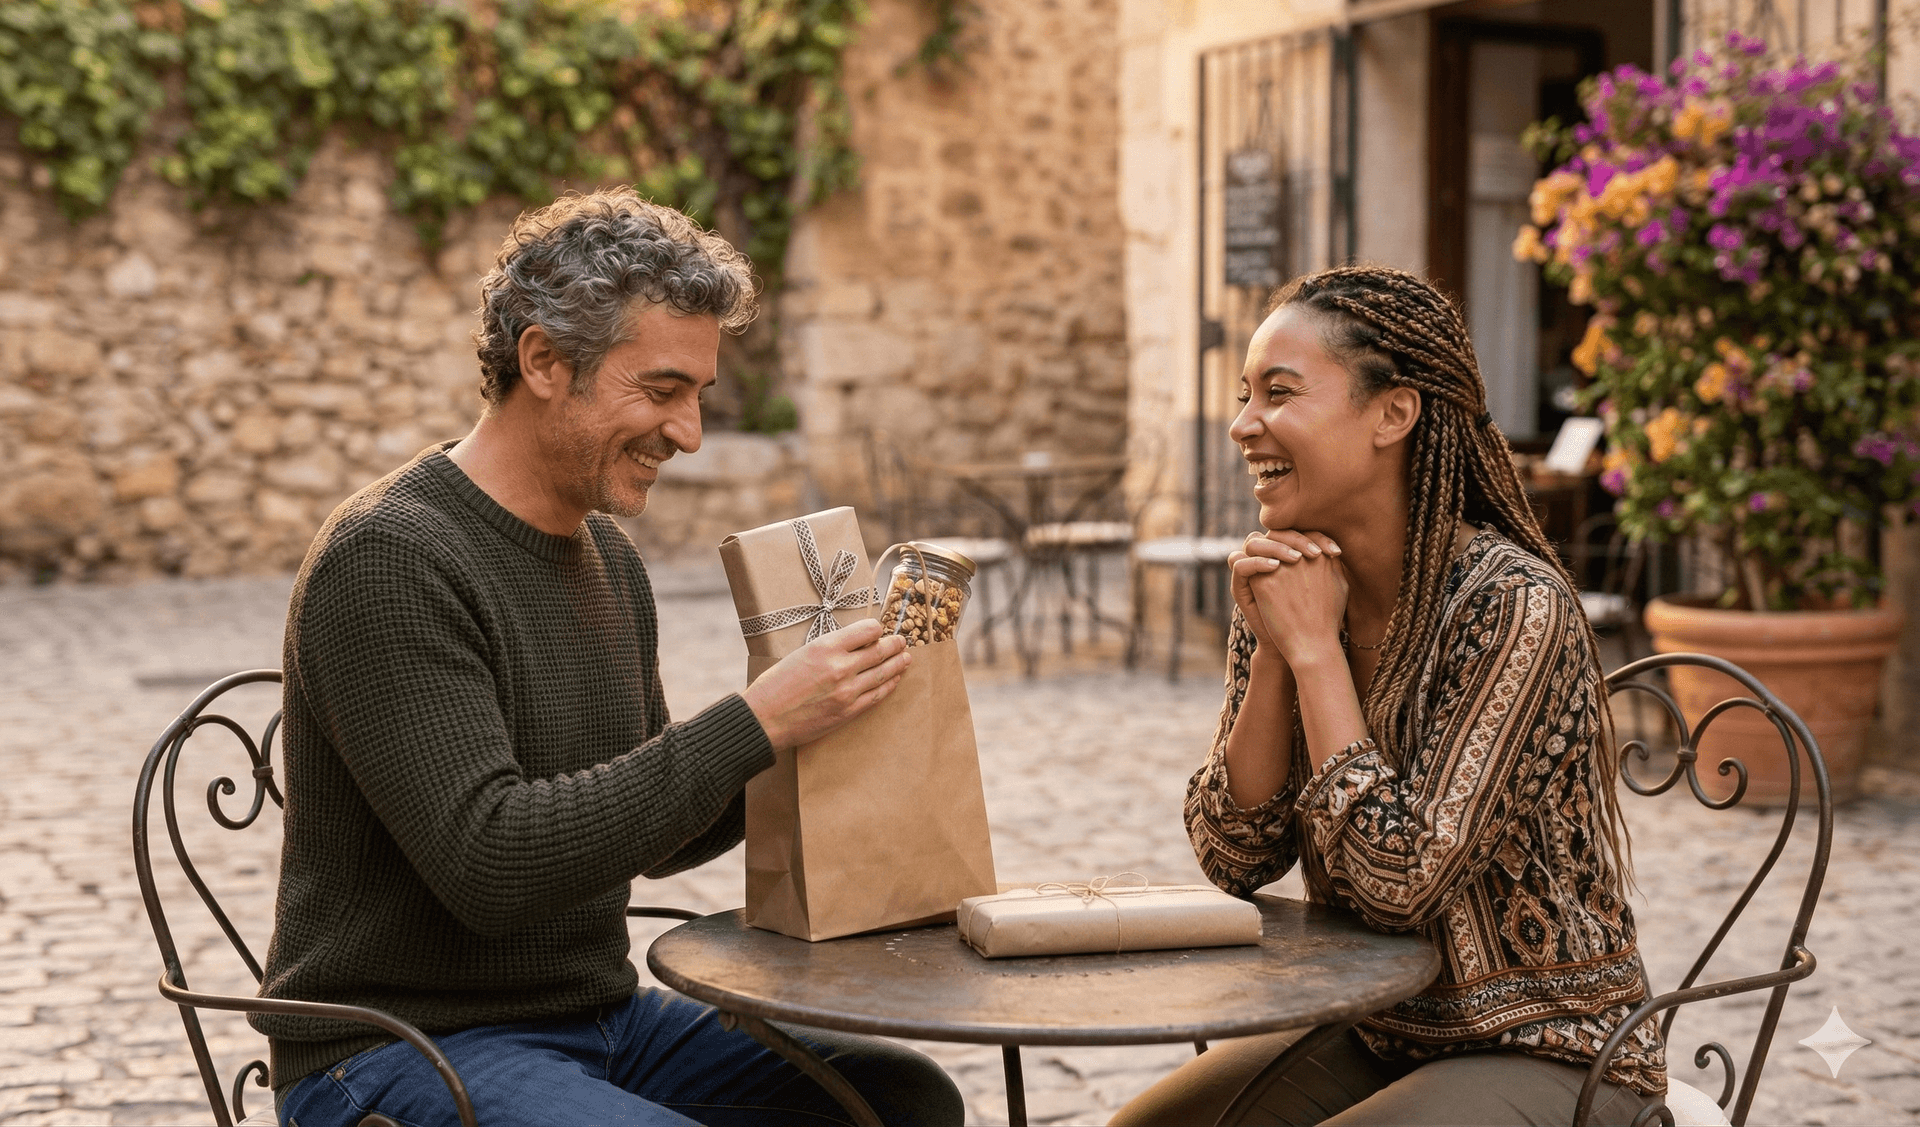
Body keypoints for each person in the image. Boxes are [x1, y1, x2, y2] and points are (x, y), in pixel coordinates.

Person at [260, 189, 963, 1127]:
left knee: (900, 1098)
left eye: (699, 396)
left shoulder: (610, 560)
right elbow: (492, 863)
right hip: (391, 1048)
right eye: (661, 389)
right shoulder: (389, 557)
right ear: (544, 359)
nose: (689, 433)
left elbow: (656, 832)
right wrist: (755, 720)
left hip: (598, 1020)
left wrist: (825, 727)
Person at [1113, 266, 1665, 1126]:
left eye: (1280, 393)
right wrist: (1274, 650)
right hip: (1378, 1027)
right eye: (1245, 393)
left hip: (1550, 1046)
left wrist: (1316, 658)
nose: (1241, 424)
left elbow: (1400, 880)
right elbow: (1234, 856)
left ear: (1393, 414)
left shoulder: (1512, 602)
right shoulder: (1289, 577)